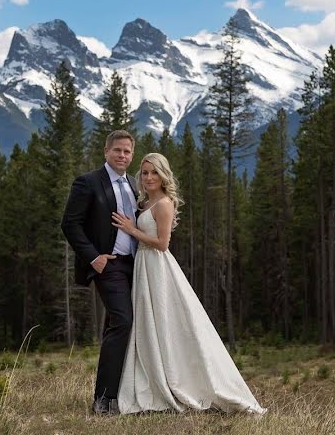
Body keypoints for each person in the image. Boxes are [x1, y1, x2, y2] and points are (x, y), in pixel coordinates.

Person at [111, 153, 266, 415]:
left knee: (167, 319)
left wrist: (131, 230)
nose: (148, 177)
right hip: (143, 267)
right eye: (145, 172)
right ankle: (152, 376)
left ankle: (181, 380)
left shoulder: (164, 204)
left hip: (158, 266)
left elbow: (162, 243)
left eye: (154, 173)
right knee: (148, 323)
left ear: (163, 176)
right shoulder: (145, 202)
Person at [61, 130, 139, 415]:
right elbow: (70, 224)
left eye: (127, 152)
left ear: (132, 155)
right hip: (109, 265)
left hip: (135, 265)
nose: (122, 156)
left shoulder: (133, 184)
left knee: (121, 326)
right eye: (117, 150)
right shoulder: (88, 182)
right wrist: (94, 258)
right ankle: (103, 402)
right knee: (122, 321)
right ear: (106, 151)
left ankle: (123, 396)